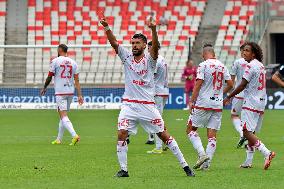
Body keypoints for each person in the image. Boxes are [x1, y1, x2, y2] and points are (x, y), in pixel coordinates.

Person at [99, 13, 195, 177]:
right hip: (129, 105)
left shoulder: (151, 60)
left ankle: (185, 166)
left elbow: (156, 48)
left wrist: (153, 30)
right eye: (133, 43)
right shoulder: (126, 57)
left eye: (138, 43)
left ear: (145, 45)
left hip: (147, 105)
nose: (134, 45)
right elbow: (114, 43)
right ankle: (124, 170)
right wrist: (106, 27)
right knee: (121, 132)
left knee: (163, 134)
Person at [224, 42, 276, 170]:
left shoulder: (250, 65)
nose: (244, 53)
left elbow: (242, 85)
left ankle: (267, 153)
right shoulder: (261, 65)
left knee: (246, 132)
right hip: (261, 101)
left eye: (247, 51)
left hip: (251, 101)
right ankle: (248, 162)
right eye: (243, 51)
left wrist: (229, 96)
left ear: (254, 53)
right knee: (251, 132)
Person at [186, 44, 233, 170]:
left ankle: (202, 154)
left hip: (203, 103)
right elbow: (230, 84)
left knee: (190, 129)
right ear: (214, 55)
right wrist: (219, 94)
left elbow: (198, 83)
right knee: (212, 135)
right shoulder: (222, 65)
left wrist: (192, 100)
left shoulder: (203, 65)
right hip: (217, 104)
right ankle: (206, 165)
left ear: (203, 55)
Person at [40, 44, 83, 145]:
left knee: (62, 115)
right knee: (63, 116)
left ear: (59, 50)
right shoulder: (74, 63)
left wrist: (45, 87)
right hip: (70, 91)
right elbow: (77, 80)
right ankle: (59, 139)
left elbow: (50, 76)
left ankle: (74, 135)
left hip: (60, 92)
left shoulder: (55, 61)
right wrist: (80, 95)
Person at [146, 41, 169, 154]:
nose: (147, 49)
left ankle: (159, 147)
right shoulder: (162, 59)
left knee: (155, 119)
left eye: (149, 47)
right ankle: (166, 142)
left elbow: (151, 76)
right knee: (159, 118)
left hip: (157, 92)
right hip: (163, 91)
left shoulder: (155, 61)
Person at [224, 43, 248, 148]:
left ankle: (242, 134)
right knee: (247, 118)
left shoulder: (237, 62)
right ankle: (248, 140)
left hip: (239, 93)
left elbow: (232, 82)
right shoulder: (255, 63)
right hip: (251, 95)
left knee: (234, 115)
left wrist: (228, 95)